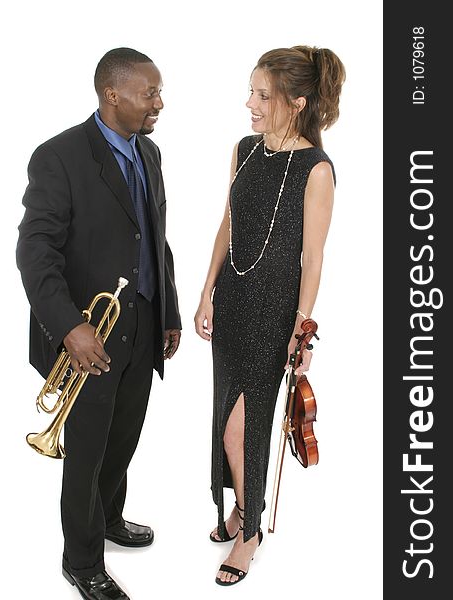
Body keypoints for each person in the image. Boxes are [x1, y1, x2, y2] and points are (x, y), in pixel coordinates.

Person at [17, 47, 181, 600]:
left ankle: (109, 519)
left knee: (123, 439)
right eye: (149, 93)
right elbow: (35, 250)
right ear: (112, 95)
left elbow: (156, 240)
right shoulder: (58, 156)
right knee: (85, 454)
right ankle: (82, 560)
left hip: (140, 327)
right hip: (86, 337)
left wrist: (169, 311)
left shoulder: (149, 152)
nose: (159, 103)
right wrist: (68, 326)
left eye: (158, 92)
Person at [194, 45, 345, 586]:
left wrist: (302, 329)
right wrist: (207, 290)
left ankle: (250, 529)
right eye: (252, 92)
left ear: (297, 103)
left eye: (263, 95)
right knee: (226, 420)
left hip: (273, 315)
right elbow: (227, 223)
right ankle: (241, 505)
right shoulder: (243, 149)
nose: (250, 103)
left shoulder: (316, 168)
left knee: (245, 429)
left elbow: (312, 257)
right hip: (232, 304)